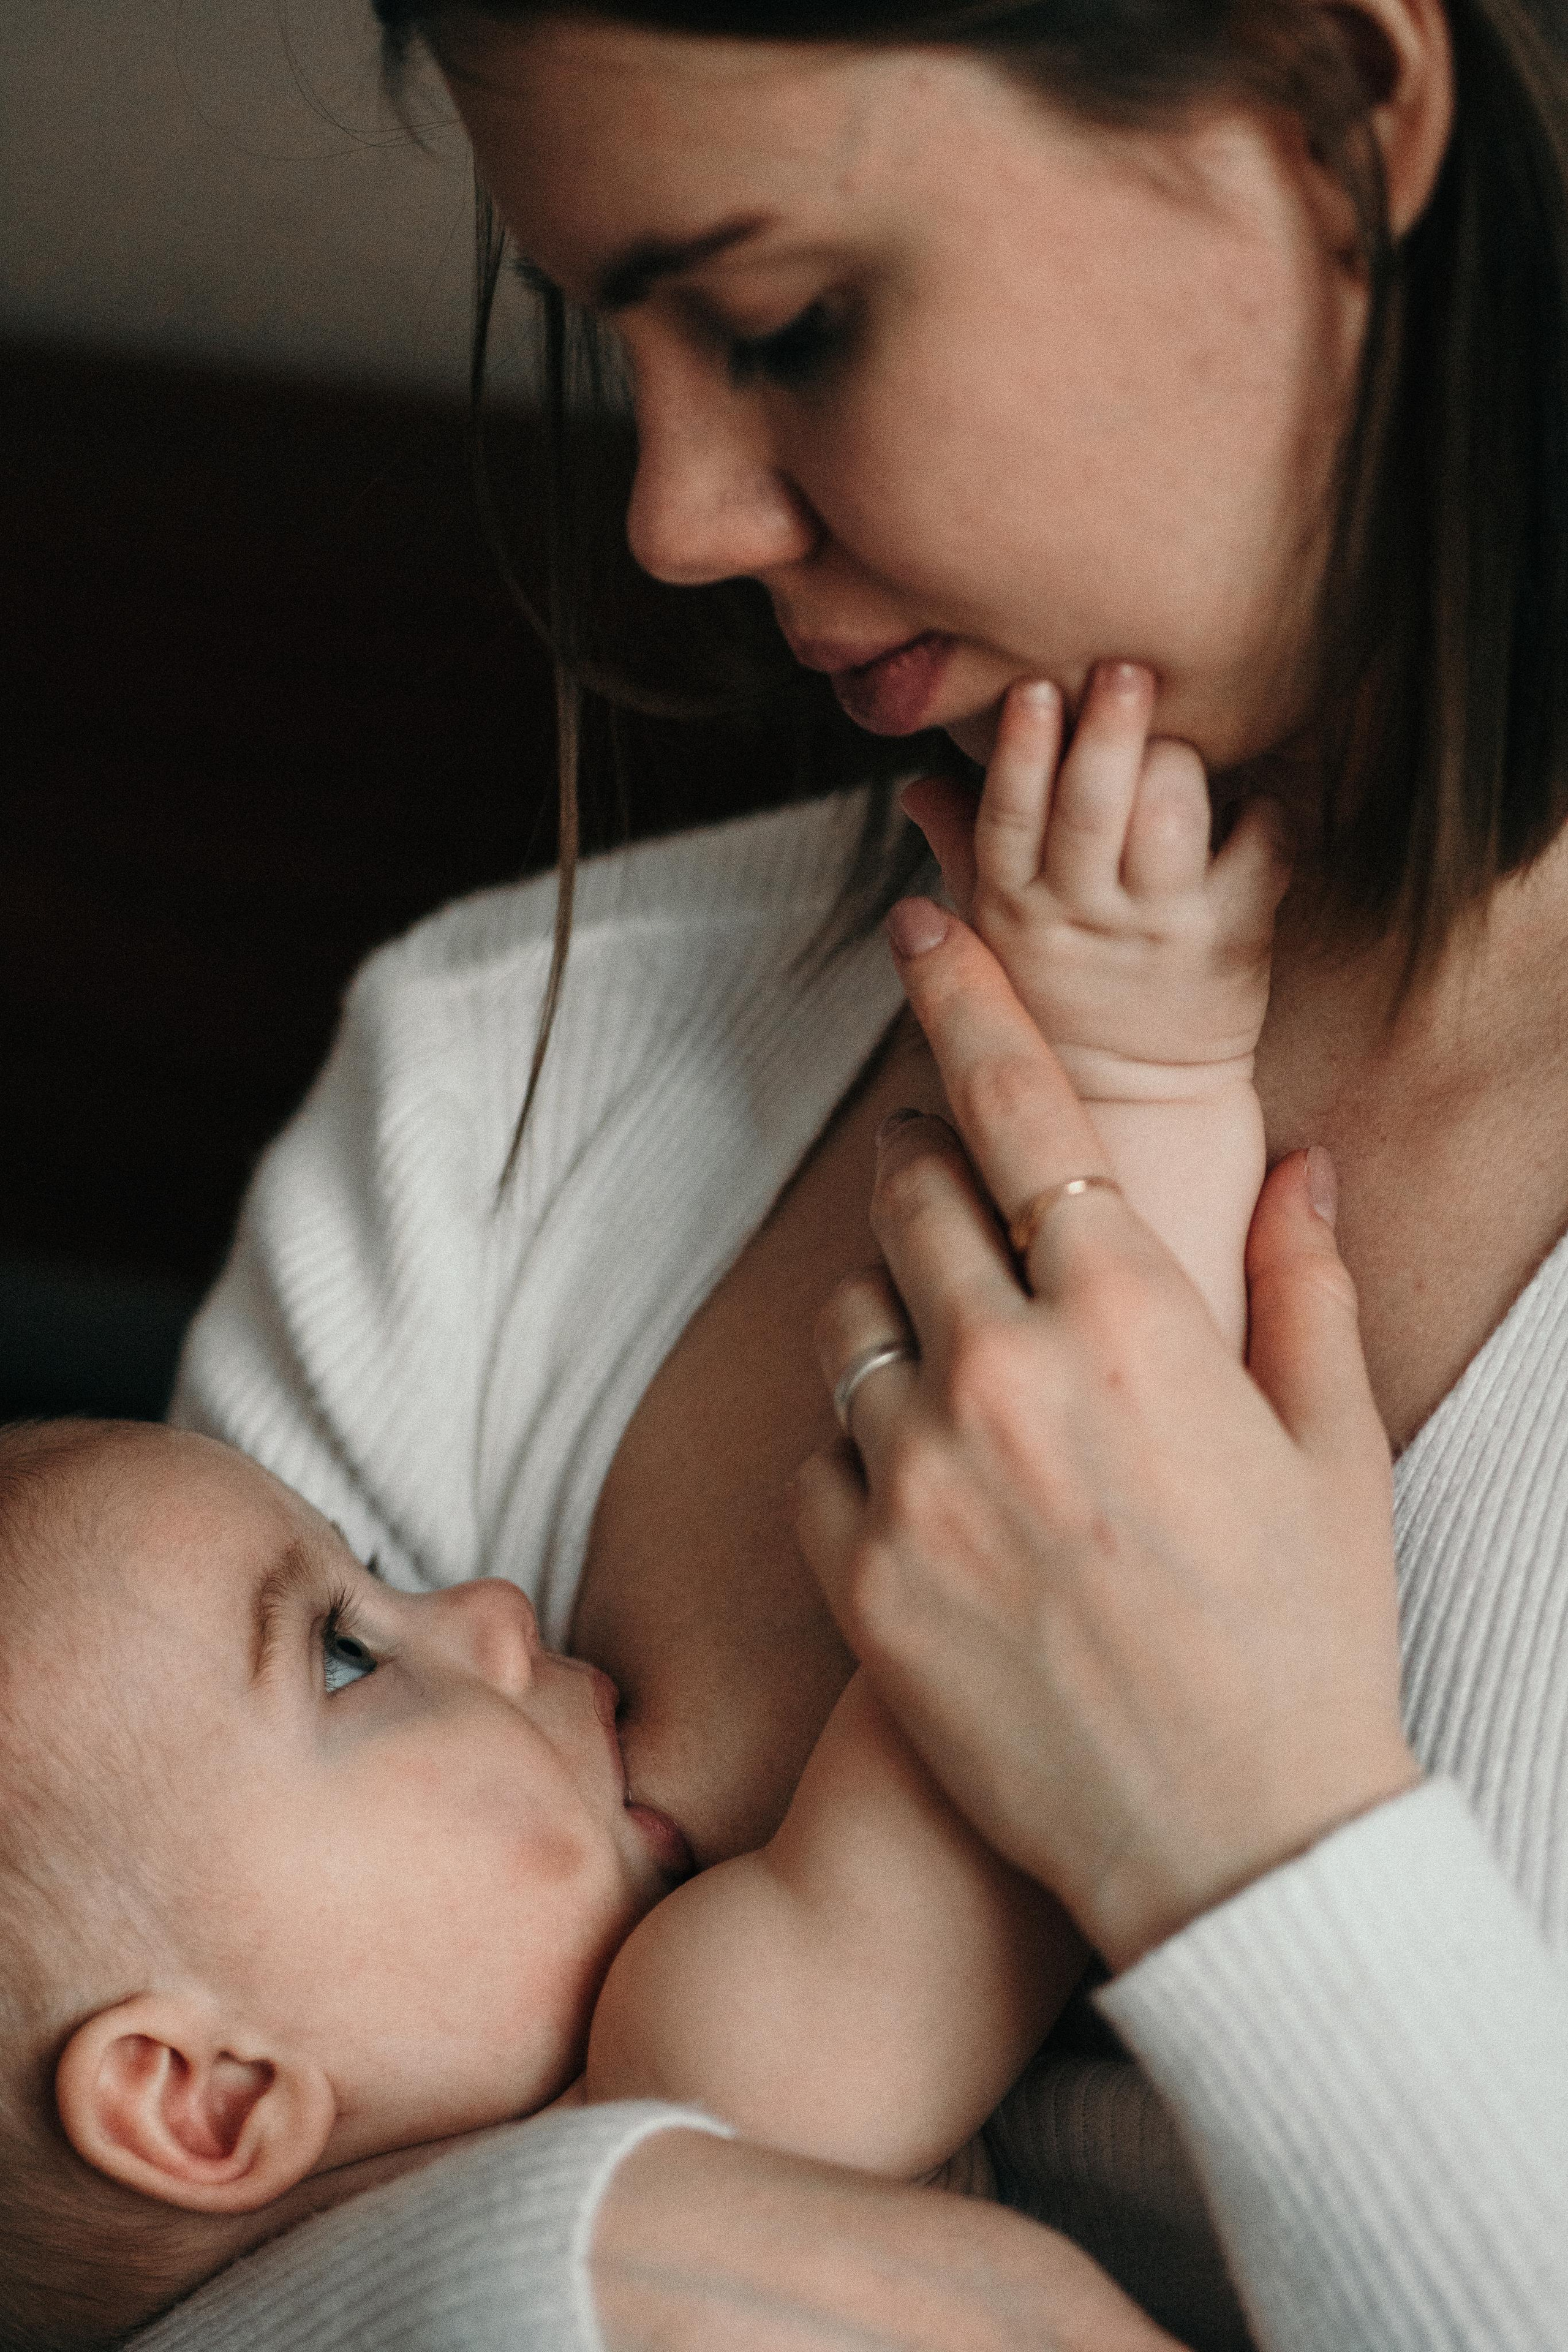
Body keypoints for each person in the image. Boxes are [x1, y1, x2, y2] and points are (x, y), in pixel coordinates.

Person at [85, 0, 1568, 2341]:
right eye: (618, 346)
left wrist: (1254, 1843)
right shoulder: (492, 1102)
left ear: (1337, 104)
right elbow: (111, 2238)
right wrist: (586, 2263)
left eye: (787, 323)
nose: (674, 518)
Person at [0, 665, 1280, 2345]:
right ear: (206, 2100)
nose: (486, 1608)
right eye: (343, 1658)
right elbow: (1048, 1611)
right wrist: (1134, 1071)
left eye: (372, 1580)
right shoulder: (676, 2104)